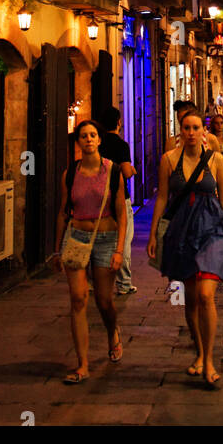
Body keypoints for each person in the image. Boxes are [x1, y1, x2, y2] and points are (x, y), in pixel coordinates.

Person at [148, 107, 223, 387]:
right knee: (190, 296)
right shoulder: (168, 160)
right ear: (181, 130)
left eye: (196, 128)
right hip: (181, 231)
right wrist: (153, 235)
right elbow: (162, 198)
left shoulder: (216, 161)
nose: (190, 133)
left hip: (212, 230)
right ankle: (199, 352)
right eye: (186, 128)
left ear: (204, 132)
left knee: (205, 295)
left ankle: (209, 359)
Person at [52, 119, 127, 384]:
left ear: (99, 140)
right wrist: (57, 248)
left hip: (105, 237)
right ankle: (82, 364)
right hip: (76, 237)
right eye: (83, 136)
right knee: (78, 299)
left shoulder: (113, 171)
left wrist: (119, 250)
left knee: (104, 300)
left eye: (93, 135)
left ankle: (112, 332)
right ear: (78, 142)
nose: (88, 139)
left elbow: (121, 212)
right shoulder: (69, 174)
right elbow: (64, 211)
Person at [98, 107, 137, 296]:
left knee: (99, 240)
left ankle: (93, 281)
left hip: (99, 198)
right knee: (124, 239)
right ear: (119, 122)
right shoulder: (121, 145)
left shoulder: (98, 144)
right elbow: (127, 172)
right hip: (120, 198)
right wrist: (133, 170)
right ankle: (124, 284)